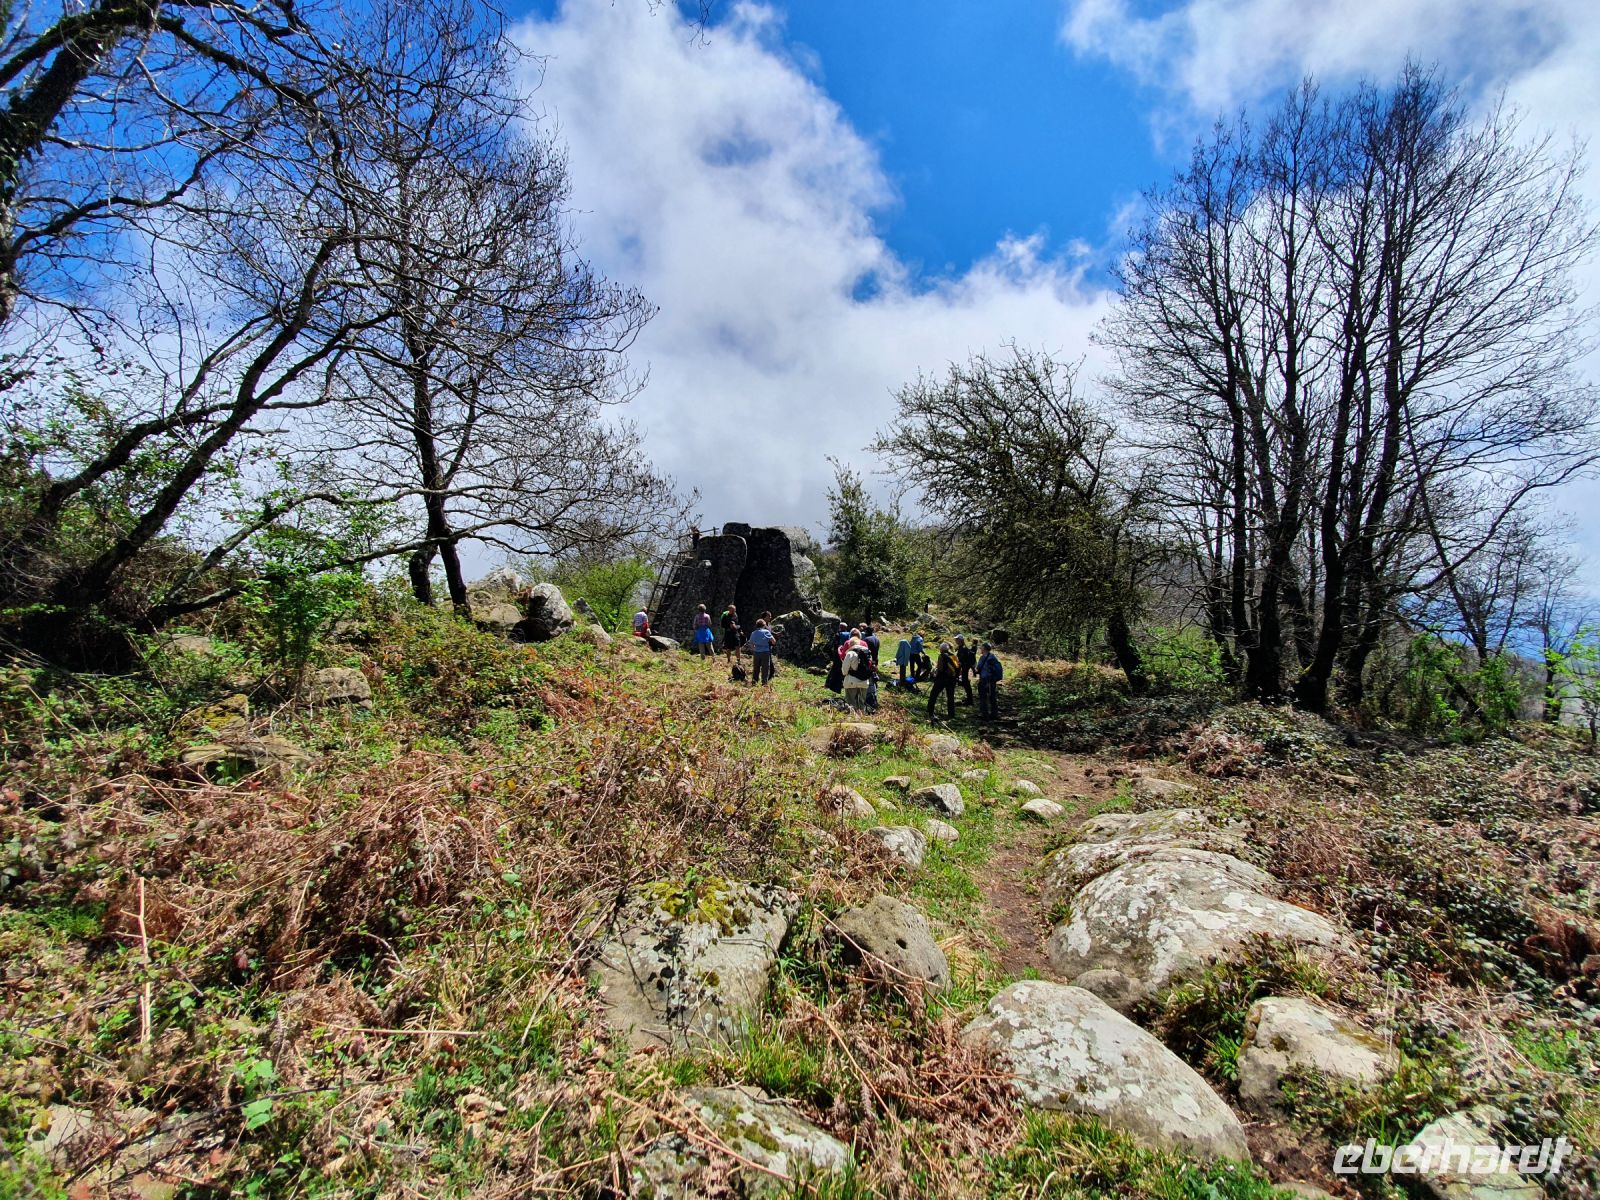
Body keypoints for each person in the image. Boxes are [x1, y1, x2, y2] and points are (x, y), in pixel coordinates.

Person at [927, 640, 959, 721]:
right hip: (952, 679)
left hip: (942, 679)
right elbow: (958, 667)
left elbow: (940, 669)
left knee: (933, 694)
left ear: (941, 649)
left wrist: (935, 676)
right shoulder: (953, 656)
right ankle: (951, 714)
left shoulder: (942, 656)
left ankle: (930, 711)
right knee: (950, 697)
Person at [841, 635, 873, 710]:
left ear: (850, 644)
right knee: (861, 703)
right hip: (864, 681)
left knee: (851, 703)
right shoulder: (867, 652)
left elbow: (844, 669)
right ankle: (861, 717)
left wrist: (844, 674)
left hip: (851, 681)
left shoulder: (850, 653)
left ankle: (852, 718)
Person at [746, 618, 777, 687]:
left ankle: (754, 682)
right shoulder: (766, 632)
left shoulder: (753, 633)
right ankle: (764, 683)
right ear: (764, 625)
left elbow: (750, 643)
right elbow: (774, 641)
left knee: (756, 668)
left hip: (756, 652)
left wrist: (754, 649)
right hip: (765, 652)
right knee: (765, 668)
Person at [977, 641, 1003, 719]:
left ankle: (984, 714)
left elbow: (978, 668)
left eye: (981, 647)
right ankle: (994, 714)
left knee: (983, 697)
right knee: (992, 697)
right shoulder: (993, 657)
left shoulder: (983, 657)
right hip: (992, 680)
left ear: (984, 648)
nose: (980, 649)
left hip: (984, 680)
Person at [862, 623, 882, 712]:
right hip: (875, 659)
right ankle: (874, 688)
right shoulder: (877, 639)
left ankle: (869, 693)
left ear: (866, 632)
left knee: (869, 676)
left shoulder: (866, 640)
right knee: (874, 674)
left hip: (869, 660)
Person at [955, 635, 977, 705]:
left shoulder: (963, 648)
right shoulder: (961, 647)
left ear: (961, 640)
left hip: (965, 667)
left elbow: (963, 659)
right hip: (964, 667)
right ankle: (969, 699)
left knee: (966, 682)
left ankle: (969, 700)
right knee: (965, 682)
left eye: (957, 639)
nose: (956, 641)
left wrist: (960, 666)